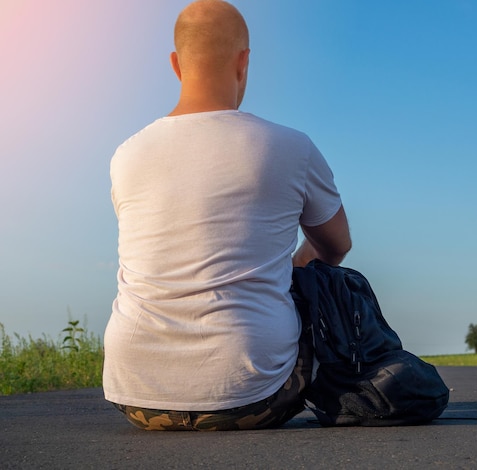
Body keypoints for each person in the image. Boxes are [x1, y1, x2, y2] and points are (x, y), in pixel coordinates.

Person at [103, 0, 351, 431]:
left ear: (176, 64)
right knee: (327, 283)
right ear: (244, 61)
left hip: (137, 398)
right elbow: (337, 245)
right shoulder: (291, 147)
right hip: (254, 396)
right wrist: (293, 268)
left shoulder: (126, 155)